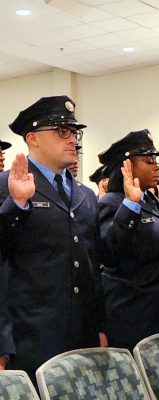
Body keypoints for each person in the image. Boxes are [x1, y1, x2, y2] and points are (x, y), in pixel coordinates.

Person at [0, 96, 106, 376]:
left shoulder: (85, 194)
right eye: (61, 131)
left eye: (73, 132)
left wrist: (100, 326)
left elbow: (93, 266)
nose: (72, 139)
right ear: (33, 138)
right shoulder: (5, 185)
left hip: (82, 335)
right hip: (31, 337)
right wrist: (17, 204)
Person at [98, 129, 159, 349]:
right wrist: (131, 204)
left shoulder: (152, 200)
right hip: (132, 319)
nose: (156, 165)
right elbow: (110, 252)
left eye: (156, 159)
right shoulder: (112, 203)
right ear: (126, 166)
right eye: (148, 160)